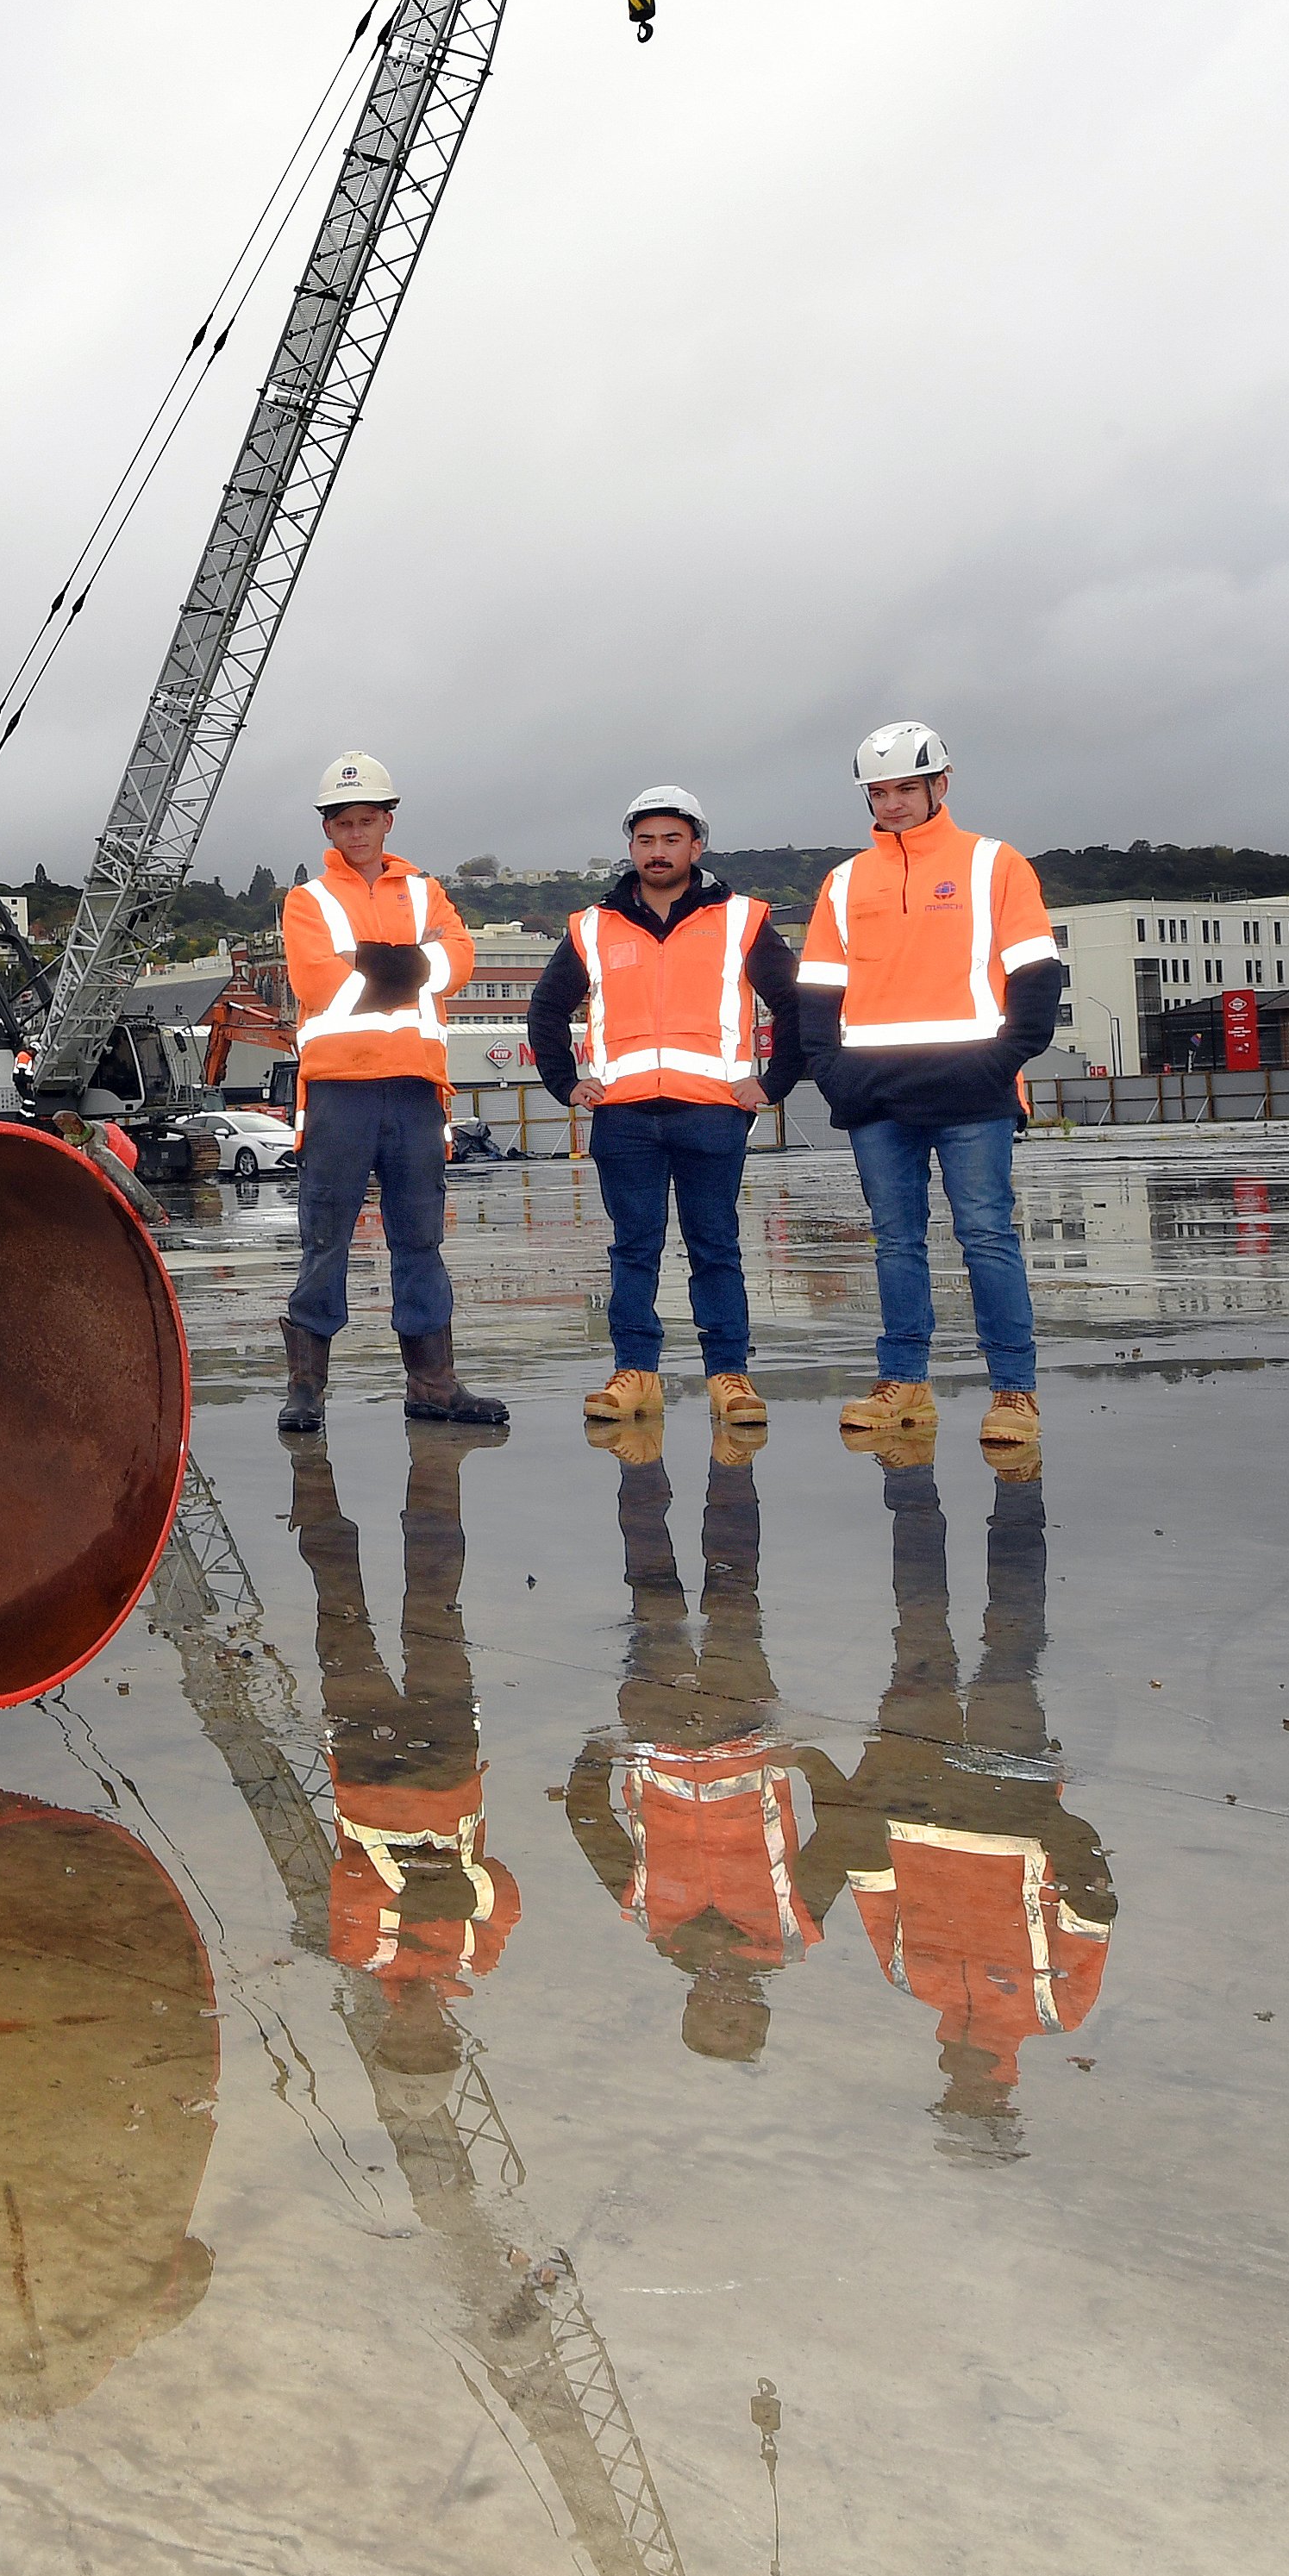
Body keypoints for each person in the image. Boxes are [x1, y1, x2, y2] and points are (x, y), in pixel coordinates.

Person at [816, 1432, 1112, 2146]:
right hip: (1012, 1787)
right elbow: (1094, 1900)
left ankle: (911, 1487)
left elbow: (868, 1869)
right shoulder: (1056, 2012)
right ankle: (1018, 1498)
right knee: (1009, 1648)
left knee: (919, 1631)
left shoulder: (907, 1981)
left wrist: (874, 1780)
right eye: (980, 2097)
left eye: (957, 2096)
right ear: (1006, 2092)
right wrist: (1042, 1810)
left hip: (921, 1777)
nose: (966, 2082)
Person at [790, 723, 1063, 1454]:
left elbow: (1037, 979)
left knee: (986, 1236)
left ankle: (1014, 1390)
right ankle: (903, 1382)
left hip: (972, 1089)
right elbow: (816, 993)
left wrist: (998, 1060)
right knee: (894, 1242)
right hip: (877, 1095)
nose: (893, 803)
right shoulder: (845, 881)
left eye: (905, 788)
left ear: (941, 784)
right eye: (879, 793)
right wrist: (836, 1076)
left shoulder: (993, 864)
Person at [564, 1413, 842, 2063]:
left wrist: (595, 1756)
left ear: (689, 2004)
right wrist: (810, 1761)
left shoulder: (647, 1920)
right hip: (742, 1723)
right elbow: (843, 1838)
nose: (724, 2004)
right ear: (759, 2008)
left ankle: (639, 1464)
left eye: (712, 2018)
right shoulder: (795, 1928)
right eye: (738, 2019)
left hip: (654, 1725)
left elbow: (591, 1827)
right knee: (733, 1596)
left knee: (652, 1595)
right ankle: (733, 1466)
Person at [528, 785, 802, 1429]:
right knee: (633, 1248)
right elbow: (545, 1007)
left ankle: (730, 1377)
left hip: (712, 1112)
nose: (657, 852)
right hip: (623, 1116)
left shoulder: (743, 918)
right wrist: (566, 1085)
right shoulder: (593, 927)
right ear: (631, 848)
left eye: (671, 839)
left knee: (716, 1246)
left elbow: (795, 1005)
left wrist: (775, 1081)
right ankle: (635, 1375)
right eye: (645, 840)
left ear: (696, 845)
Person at [276, 751, 505, 1433]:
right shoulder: (307, 900)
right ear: (330, 828)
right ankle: (307, 1390)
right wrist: (413, 965)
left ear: (387, 820)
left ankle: (433, 1384)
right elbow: (318, 982)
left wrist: (370, 964)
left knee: (420, 1239)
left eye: (367, 819)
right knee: (325, 1238)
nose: (356, 832)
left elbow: (460, 961)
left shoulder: (427, 892)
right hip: (341, 1089)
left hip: (412, 1088)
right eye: (344, 822)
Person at [286, 1422, 518, 2085]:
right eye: (433, 2046)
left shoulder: (357, 1954)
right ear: (450, 2036)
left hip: (364, 1762)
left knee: (340, 1615)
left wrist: (428, 1899)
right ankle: (436, 1475)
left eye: (406, 2045)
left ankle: (314, 1486)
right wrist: (426, 1900)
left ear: (387, 2031)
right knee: (436, 1613)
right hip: (447, 1762)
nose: (419, 2032)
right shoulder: (479, 1956)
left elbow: (352, 1884)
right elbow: (501, 1884)